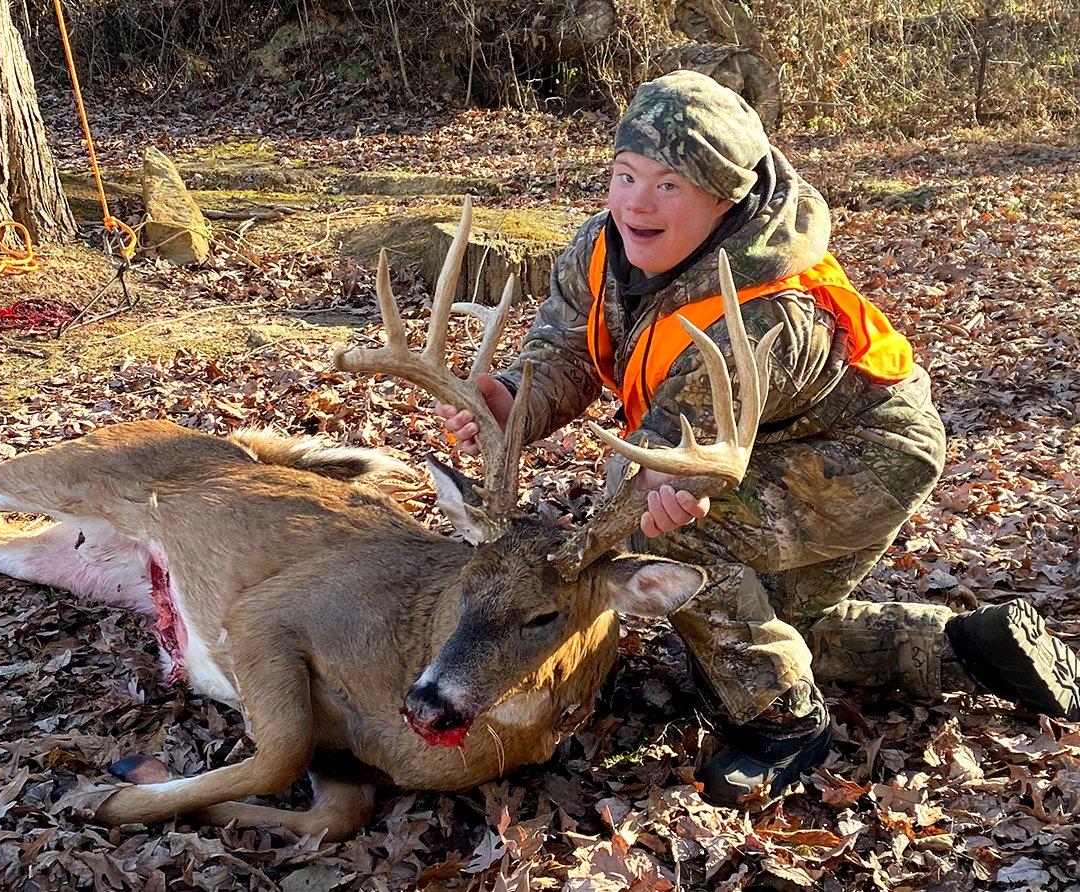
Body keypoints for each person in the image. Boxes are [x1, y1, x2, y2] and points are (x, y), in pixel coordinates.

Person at [435, 70, 1080, 807]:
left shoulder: (766, 312)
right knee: (774, 627)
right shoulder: (599, 248)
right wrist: (513, 396)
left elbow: (670, 460)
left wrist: (630, 521)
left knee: (672, 548)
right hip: (777, 438)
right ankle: (973, 651)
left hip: (864, 453)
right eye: (625, 175)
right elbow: (567, 351)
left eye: (671, 185)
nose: (637, 203)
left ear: (726, 198)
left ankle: (782, 726)